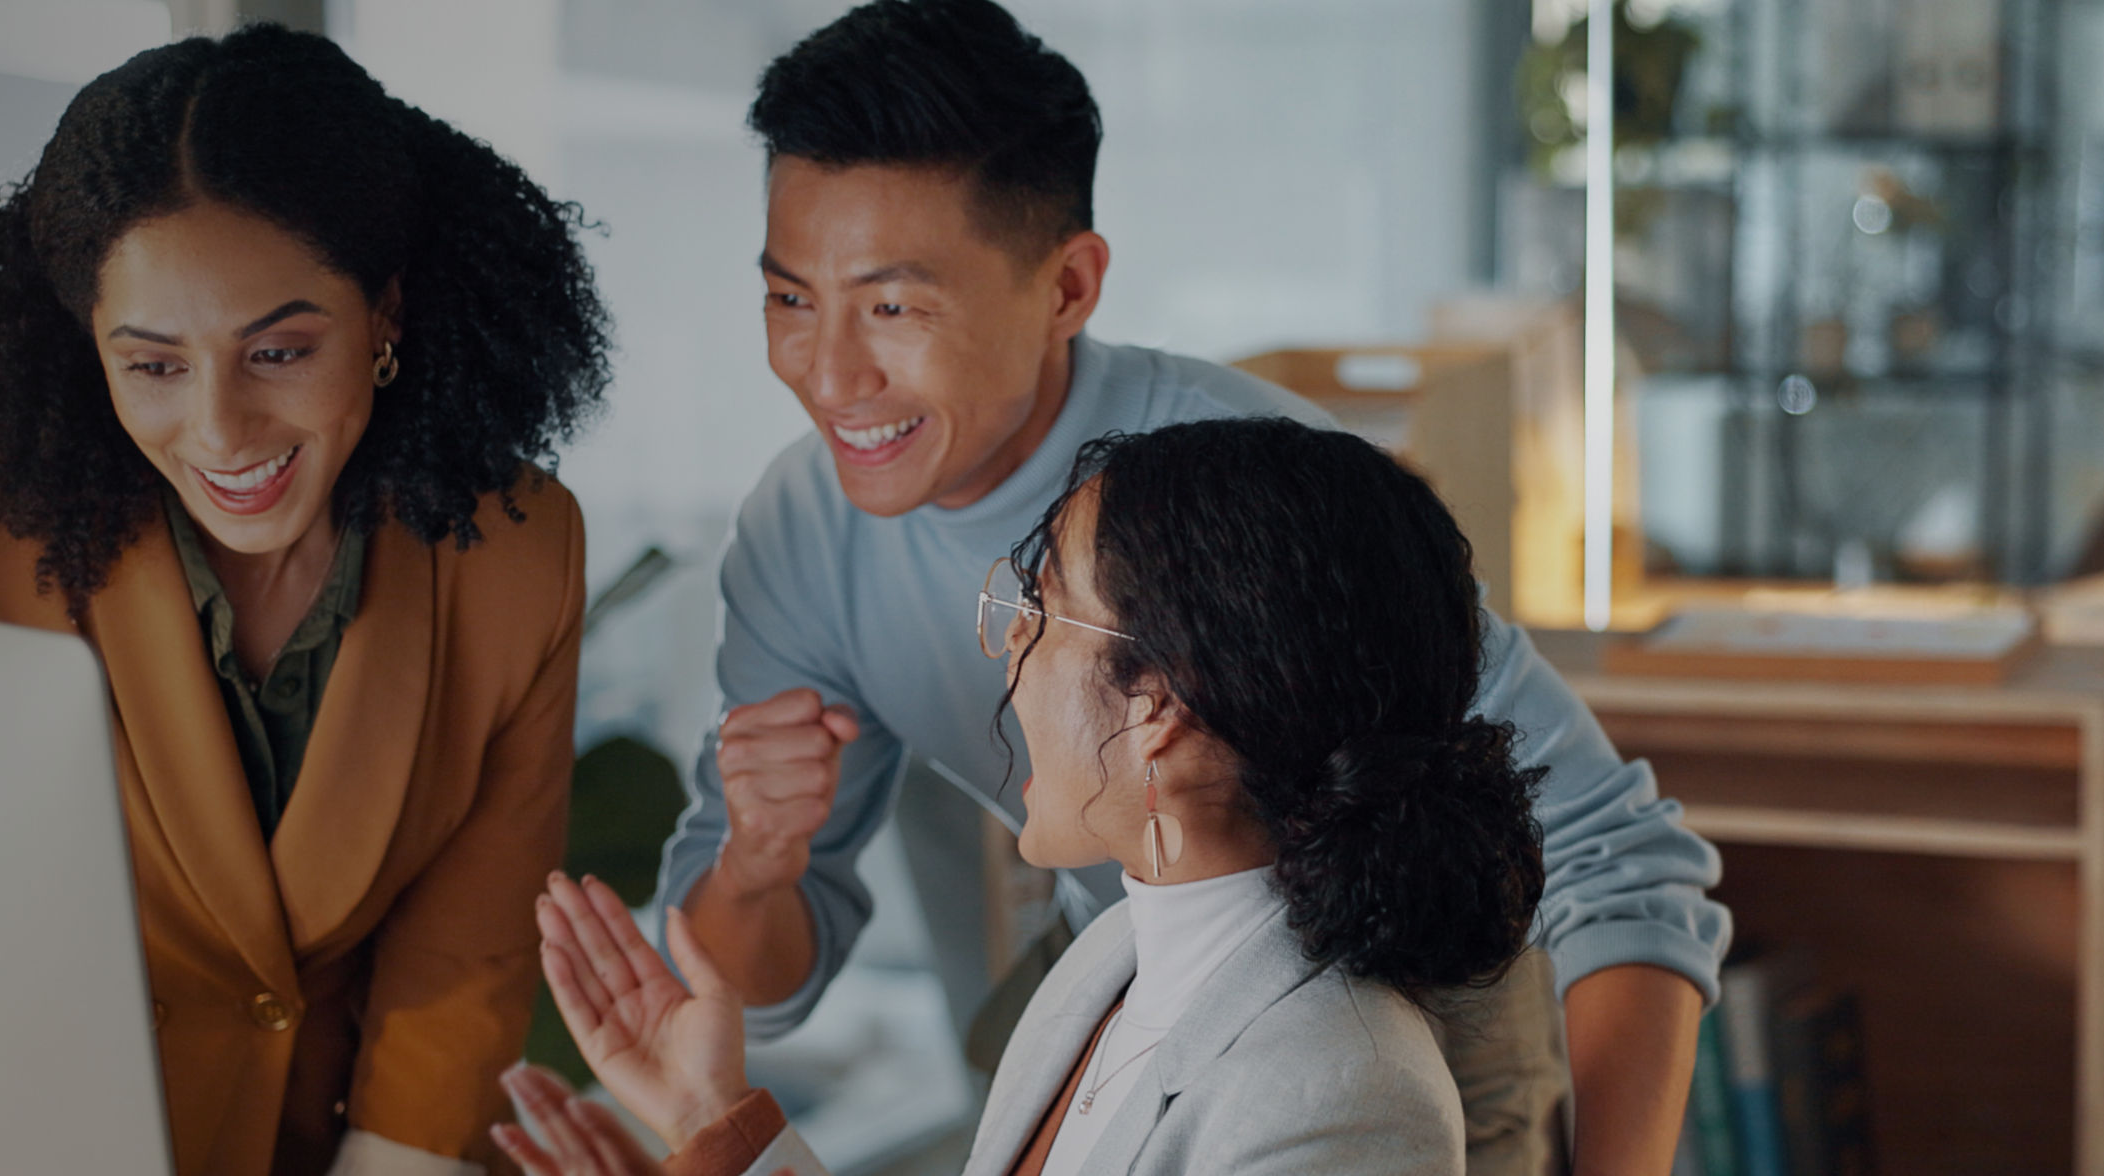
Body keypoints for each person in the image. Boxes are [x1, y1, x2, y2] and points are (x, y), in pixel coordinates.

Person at [650, 2, 1730, 1172]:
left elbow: (1615, 855)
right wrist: (756, 865)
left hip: (1412, 1006)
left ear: (1068, 287)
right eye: (789, 300)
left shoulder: (1254, 487)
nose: (830, 374)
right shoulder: (801, 535)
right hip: (1139, 971)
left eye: (894, 307)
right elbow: (751, 990)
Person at [0, 25, 609, 1176]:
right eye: (152, 365)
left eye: (280, 351)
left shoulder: (517, 550)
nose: (221, 431)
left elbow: (461, 967)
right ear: (87, 345)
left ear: (384, 314)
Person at [508, 418, 1552, 1175]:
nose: (1006, 643)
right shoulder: (1109, 966)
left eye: (1041, 607)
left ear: (1158, 705)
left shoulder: (1346, 1097)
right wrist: (715, 1124)